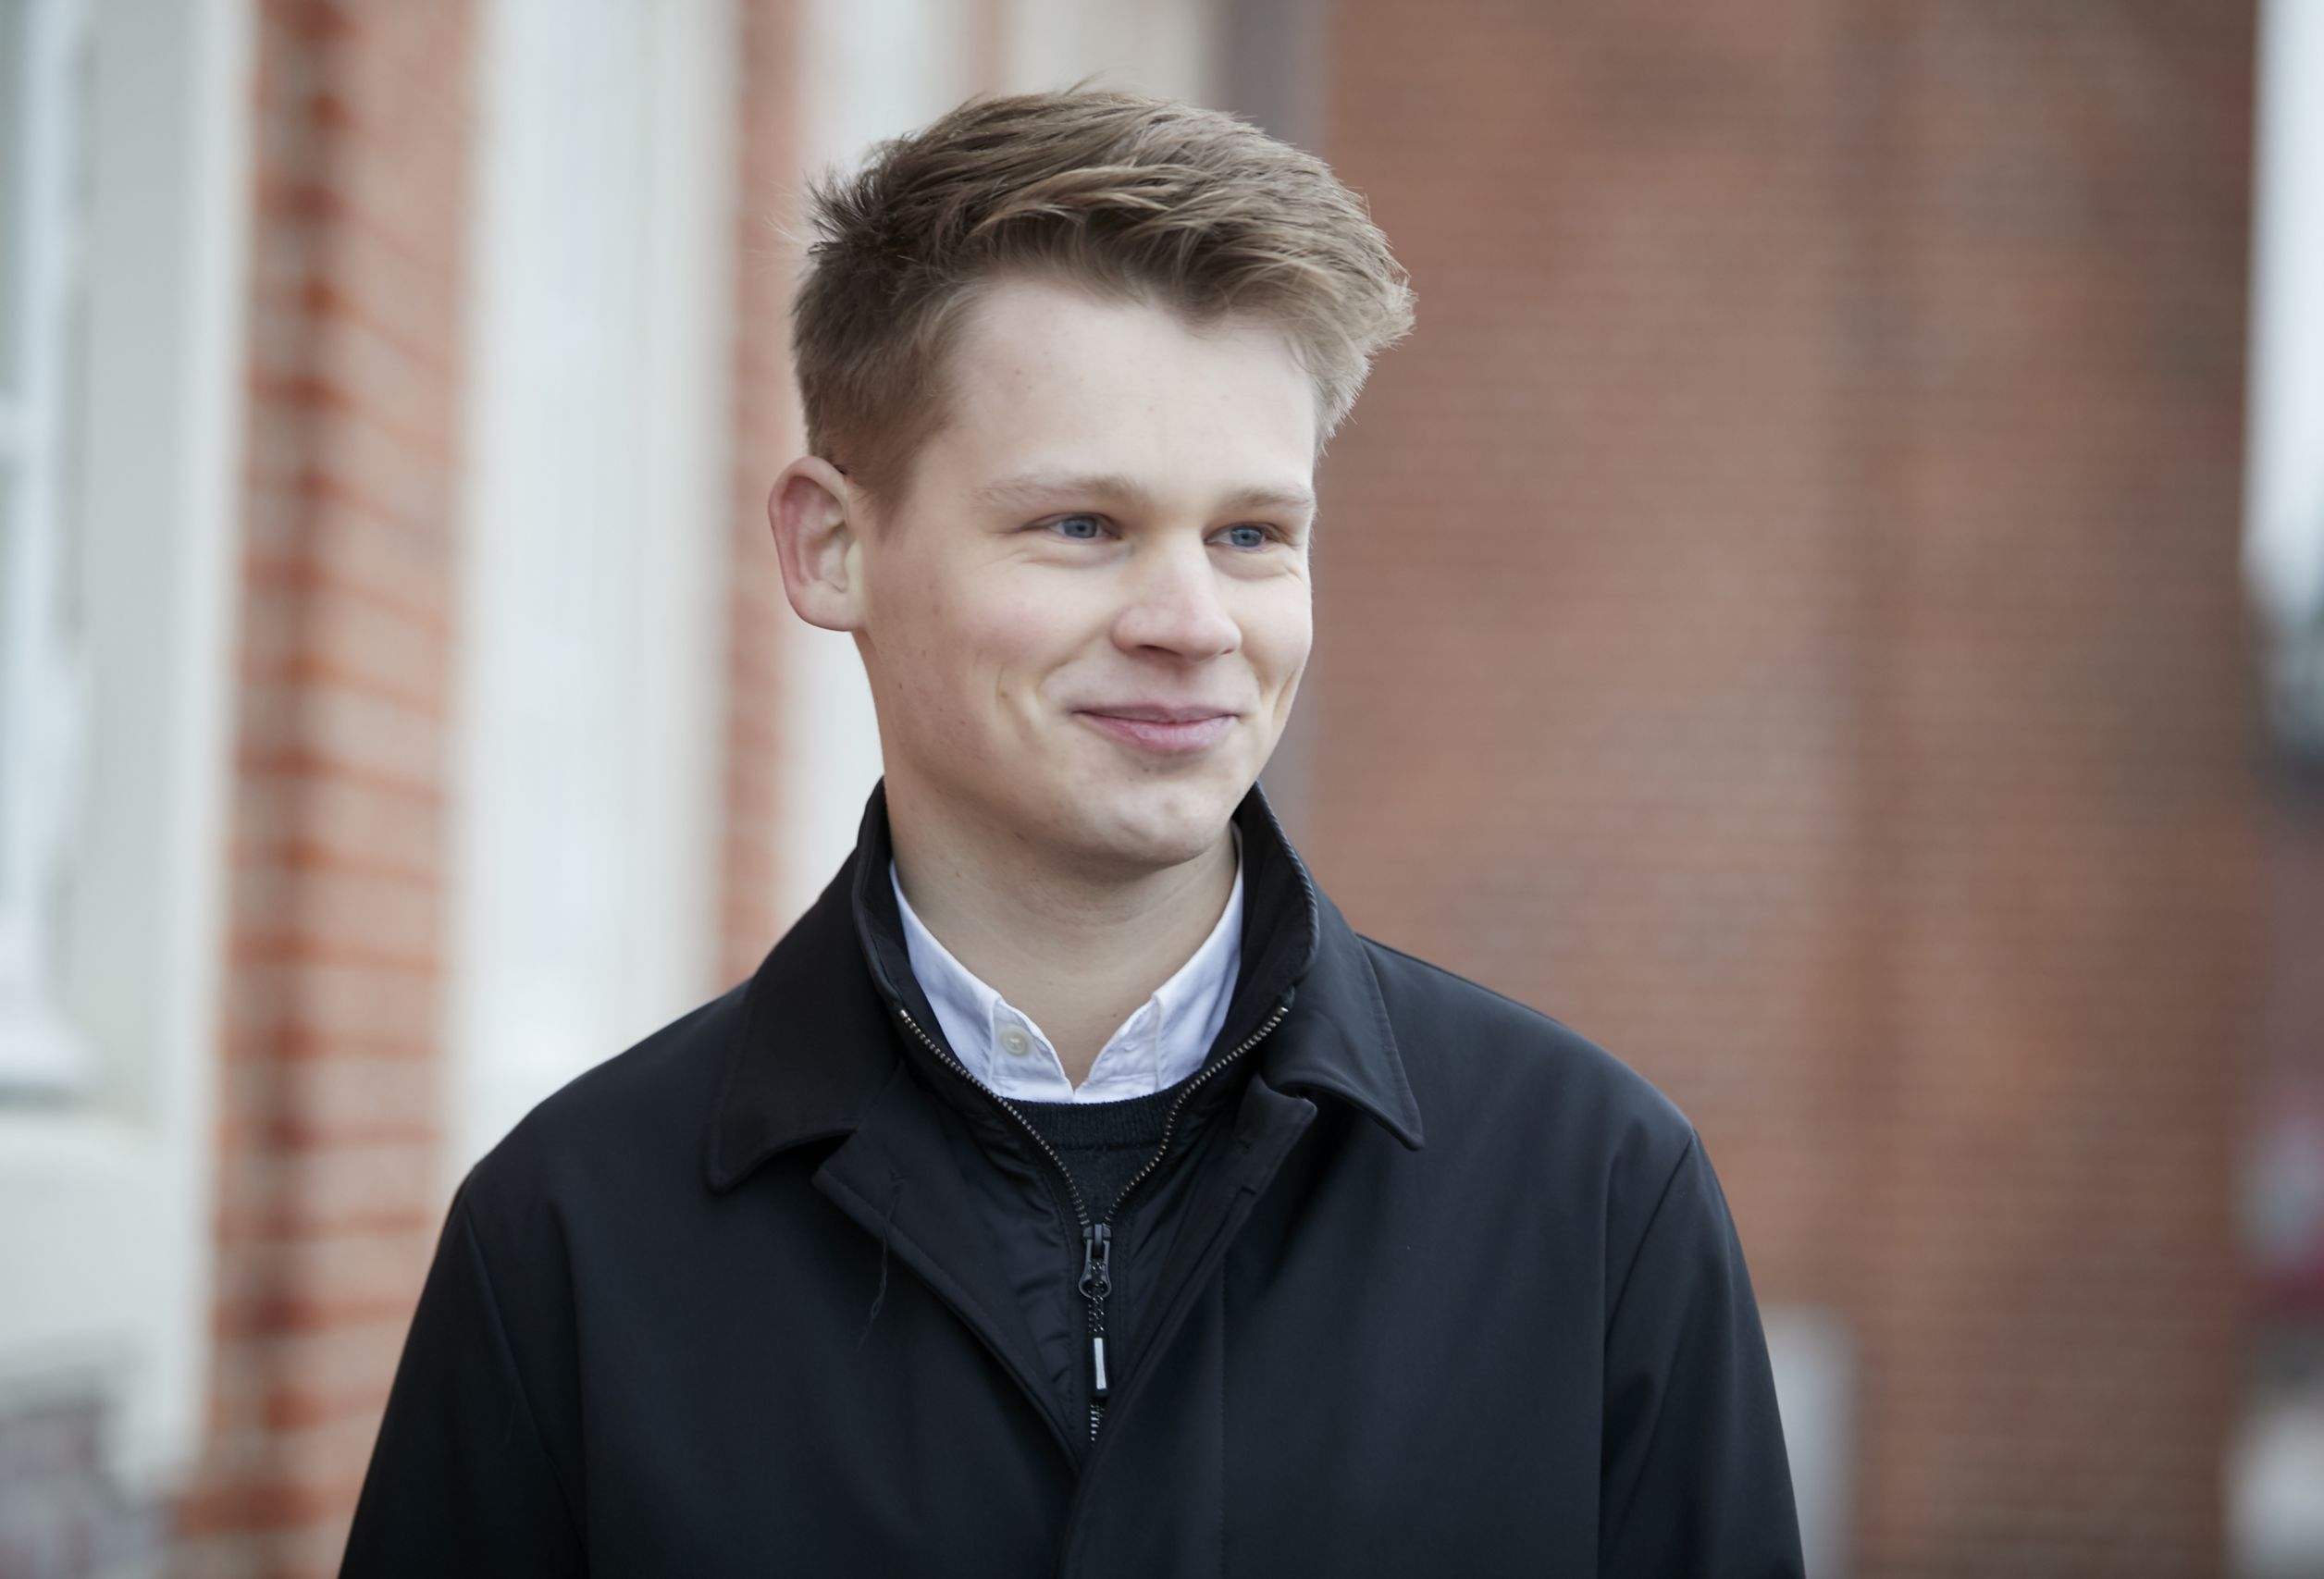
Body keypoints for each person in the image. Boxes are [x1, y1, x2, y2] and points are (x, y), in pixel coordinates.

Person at [340, 87, 1804, 1578]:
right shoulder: (573, 1235)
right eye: (1083, 527)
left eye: (1250, 535)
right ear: (833, 545)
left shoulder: (1599, 1195)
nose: (1191, 626)